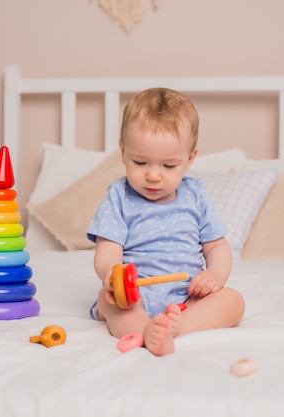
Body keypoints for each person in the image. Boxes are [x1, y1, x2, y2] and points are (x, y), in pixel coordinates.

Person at [86, 87, 245, 356]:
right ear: (123, 152)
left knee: (233, 301)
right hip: (133, 296)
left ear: (190, 159)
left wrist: (215, 275)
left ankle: (175, 327)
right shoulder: (119, 196)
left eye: (168, 166)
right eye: (140, 162)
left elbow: (216, 246)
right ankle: (145, 328)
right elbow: (107, 251)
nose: (153, 176)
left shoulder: (196, 195)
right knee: (107, 301)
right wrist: (113, 276)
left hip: (189, 298)